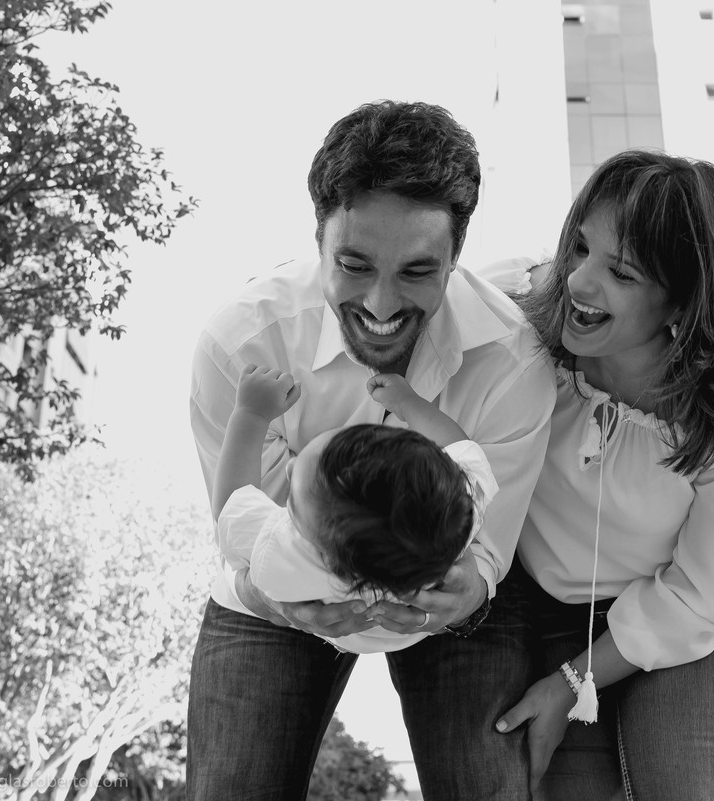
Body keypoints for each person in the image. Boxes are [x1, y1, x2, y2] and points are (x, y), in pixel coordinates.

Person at [186, 100, 556, 801]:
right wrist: (287, 600)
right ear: (318, 238)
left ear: (456, 256)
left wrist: (461, 591)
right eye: (354, 265)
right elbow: (242, 528)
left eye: (418, 271)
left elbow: (486, 548)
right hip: (286, 582)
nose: (382, 304)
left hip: (444, 592)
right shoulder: (242, 342)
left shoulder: (512, 360)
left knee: (489, 787)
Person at [488, 150, 714, 800]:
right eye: (579, 246)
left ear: (682, 299)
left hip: (691, 607)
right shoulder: (511, 323)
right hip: (549, 602)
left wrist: (575, 679)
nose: (578, 281)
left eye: (620, 272)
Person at [210, 366, 498, 654]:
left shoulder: (285, 554)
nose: (290, 465)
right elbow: (462, 448)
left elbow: (230, 507)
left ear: (325, 555)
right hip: (418, 632)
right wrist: (410, 403)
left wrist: (250, 415)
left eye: (294, 502)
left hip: (323, 630)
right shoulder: (452, 514)